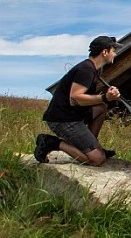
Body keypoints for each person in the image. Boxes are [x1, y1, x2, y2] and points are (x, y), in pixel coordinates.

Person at [36, 35, 123, 166]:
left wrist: (106, 96)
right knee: (97, 159)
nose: (115, 54)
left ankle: (91, 146)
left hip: (72, 115)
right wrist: (105, 97)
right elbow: (75, 98)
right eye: (113, 50)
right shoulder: (86, 70)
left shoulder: (93, 69)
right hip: (62, 120)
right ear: (104, 52)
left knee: (101, 107)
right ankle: (51, 142)